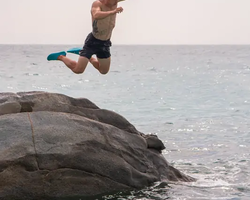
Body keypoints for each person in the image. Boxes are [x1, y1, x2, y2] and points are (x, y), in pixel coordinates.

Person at [47, 0, 124, 74]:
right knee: (78, 70)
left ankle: (88, 57)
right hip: (93, 42)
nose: (115, 2)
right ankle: (61, 57)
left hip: (105, 43)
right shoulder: (97, 4)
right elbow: (96, 15)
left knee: (103, 71)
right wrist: (113, 12)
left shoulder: (114, 2)